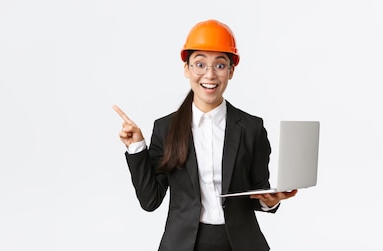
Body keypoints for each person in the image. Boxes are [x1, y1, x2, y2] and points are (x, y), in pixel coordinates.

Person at [112, 19, 297, 251]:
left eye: (220, 65)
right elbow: (150, 200)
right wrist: (136, 147)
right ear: (186, 68)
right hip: (184, 244)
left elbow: (259, 188)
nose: (209, 75)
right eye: (200, 64)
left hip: (240, 244)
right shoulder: (165, 129)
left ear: (231, 71)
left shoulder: (252, 128)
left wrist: (269, 202)